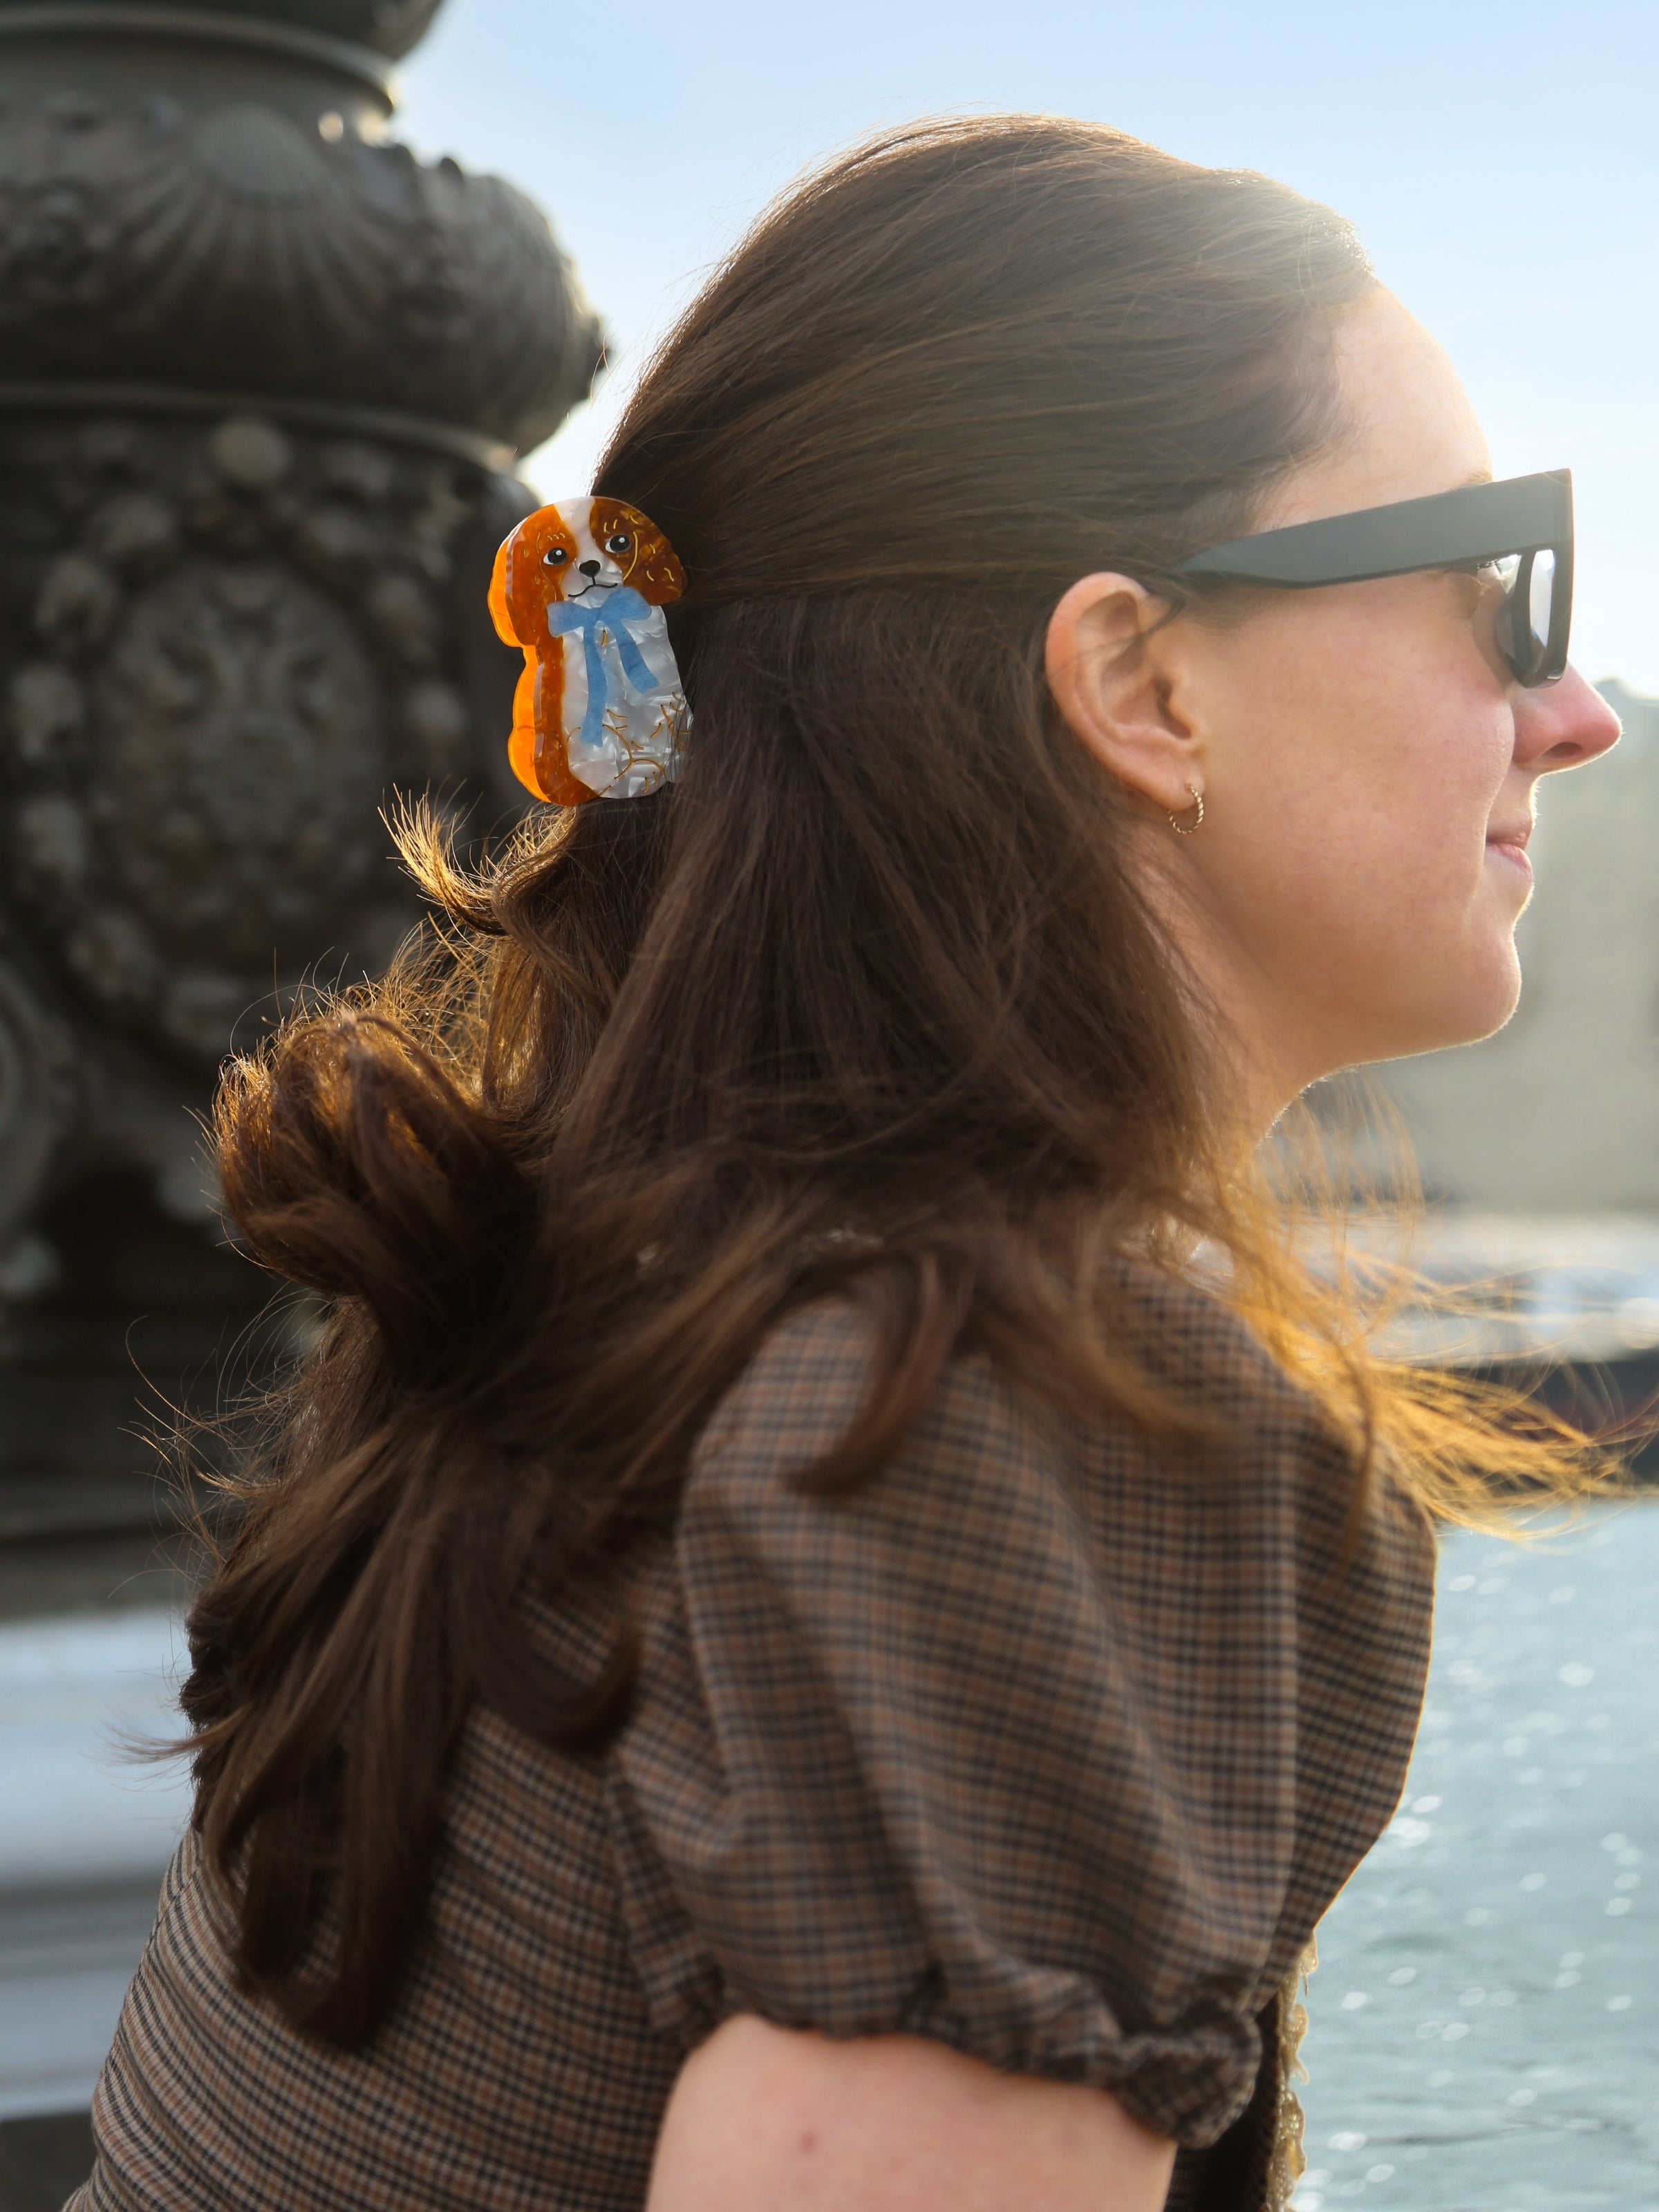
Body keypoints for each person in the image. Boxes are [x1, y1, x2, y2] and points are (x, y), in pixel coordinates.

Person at [70, 117, 1621, 2212]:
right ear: (1141, 685)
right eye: (1494, 587)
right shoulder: (1012, 1412)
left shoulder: (630, 1275)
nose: (1572, 712)